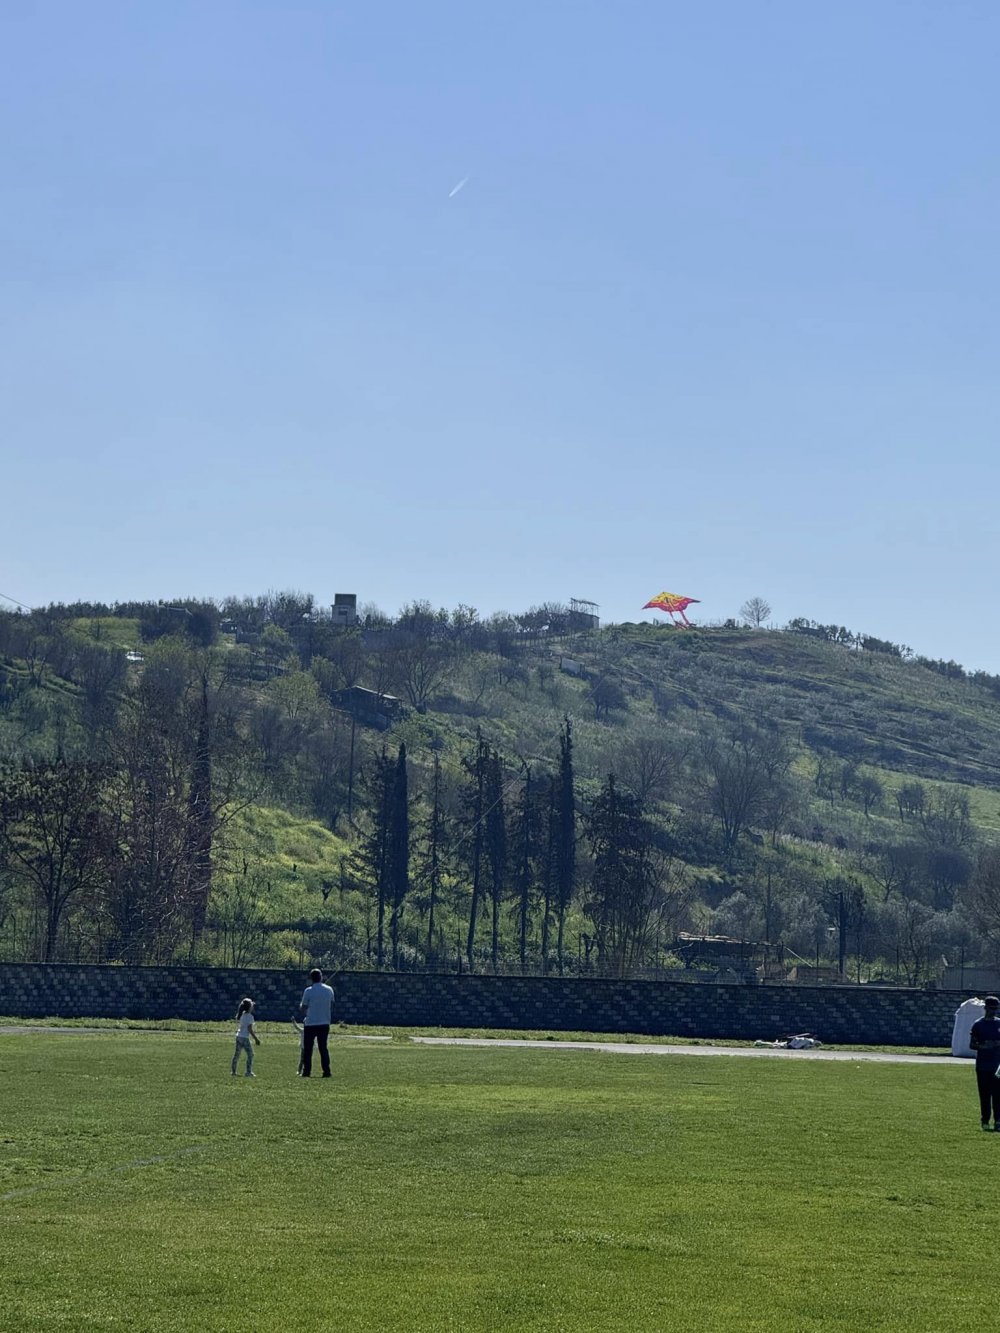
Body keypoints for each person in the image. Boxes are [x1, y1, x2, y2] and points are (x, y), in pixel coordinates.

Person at [969, 995, 1000, 1129]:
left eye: (995, 1009)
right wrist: (984, 1046)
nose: (993, 1011)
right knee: (984, 1094)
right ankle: (985, 1121)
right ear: (985, 1008)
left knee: (998, 1094)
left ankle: (998, 1121)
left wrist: (996, 1043)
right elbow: (972, 1044)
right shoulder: (978, 1025)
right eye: (991, 1009)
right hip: (982, 1065)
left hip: (997, 1065)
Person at [299, 968, 335, 1078]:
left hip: (310, 1023)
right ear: (321, 977)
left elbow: (303, 1007)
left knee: (308, 1049)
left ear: (311, 979)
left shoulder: (308, 991)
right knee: (323, 1048)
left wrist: (301, 1006)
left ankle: (306, 1071)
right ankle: (326, 1071)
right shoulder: (329, 989)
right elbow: (332, 1004)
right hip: (324, 1022)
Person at [232, 997, 261, 1078]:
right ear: (249, 1007)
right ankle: (248, 1072)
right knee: (250, 1055)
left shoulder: (241, 1015)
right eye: (252, 1006)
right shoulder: (250, 1017)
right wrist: (256, 1039)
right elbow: (250, 1029)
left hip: (238, 1036)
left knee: (236, 1055)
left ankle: (233, 1071)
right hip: (244, 1038)